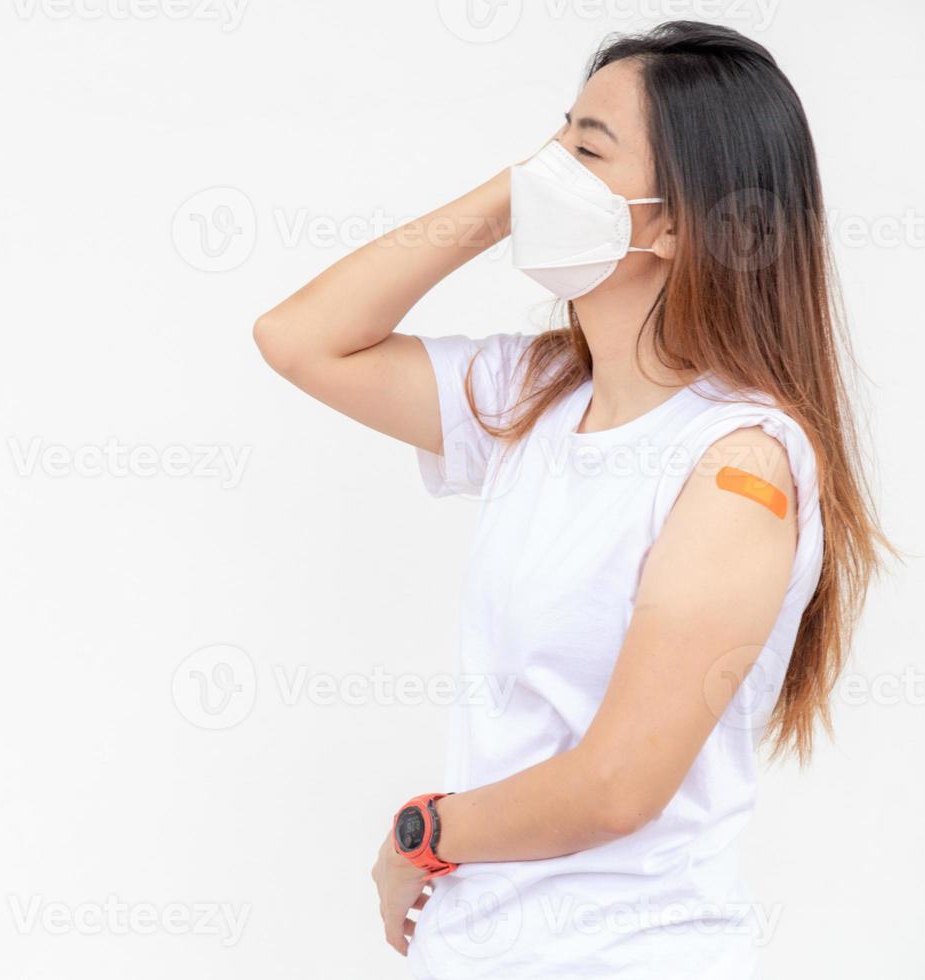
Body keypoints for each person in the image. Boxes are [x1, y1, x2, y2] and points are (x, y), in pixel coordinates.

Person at [253, 20, 886, 978]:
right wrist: (515, 197)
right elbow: (300, 339)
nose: (547, 170)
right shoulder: (538, 396)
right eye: (552, 143)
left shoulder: (735, 466)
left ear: (678, 220)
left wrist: (422, 835)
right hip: (480, 944)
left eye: (585, 151)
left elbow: (617, 786)